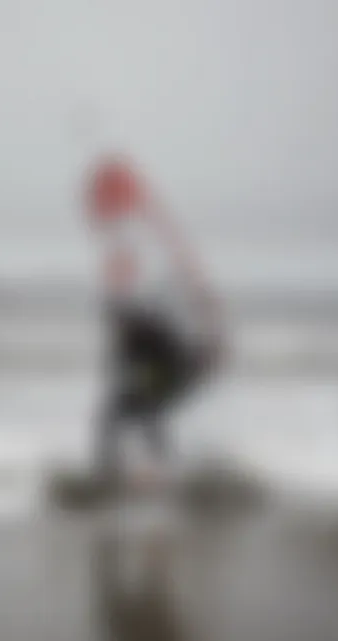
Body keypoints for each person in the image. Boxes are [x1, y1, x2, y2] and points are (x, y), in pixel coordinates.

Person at [85, 153, 224, 498]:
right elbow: (120, 364)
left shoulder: (143, 326)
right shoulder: (125, 329)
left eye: (115, 315)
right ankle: (114, 476)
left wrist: (209, 347)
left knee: (140, 408)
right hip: (173, 368)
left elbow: (166, 357)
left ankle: (165, 475)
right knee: (116, 412)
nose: (113, 320)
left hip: (185, 366)